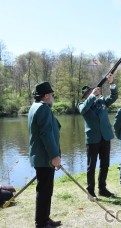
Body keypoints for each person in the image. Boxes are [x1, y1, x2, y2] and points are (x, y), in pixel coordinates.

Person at [28, 81, 62, 228]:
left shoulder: (36, 107)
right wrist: (55, 156)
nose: (53, 97)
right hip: (45, 158)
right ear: (47, 95)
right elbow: (46, 134)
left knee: (46, 191)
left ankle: (45, 219)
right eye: (52, 94)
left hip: (42, 157)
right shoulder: (43, 109)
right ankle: (41, 223)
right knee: (44, 192)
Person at [77, 73, 117, 198]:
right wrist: (92, 96)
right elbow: (83, 110)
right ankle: (90, 190)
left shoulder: (102, 101)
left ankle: (102, 188)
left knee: (105, 164)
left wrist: (111, 83)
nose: (93, 93)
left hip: (105, 137)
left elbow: (114, 97)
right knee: (91, 166)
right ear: (85, 96)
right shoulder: (82, 104)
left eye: (93, 91)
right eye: (89, 92)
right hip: (93, 139)